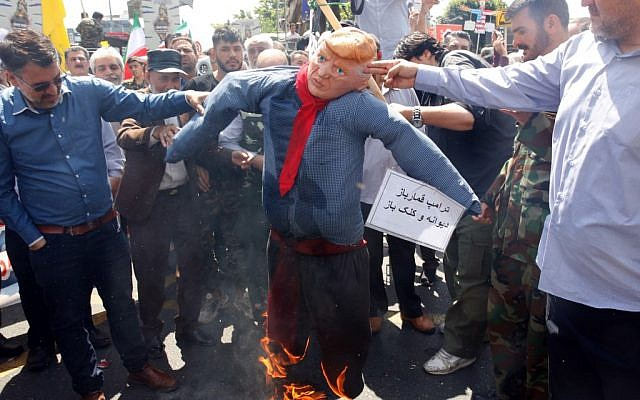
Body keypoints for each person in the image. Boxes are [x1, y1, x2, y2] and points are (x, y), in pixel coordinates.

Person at [167, 28, 480, 399]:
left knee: (344, 333)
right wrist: (186, 142)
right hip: (284, 238)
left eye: (341, 71)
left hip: (338, 246)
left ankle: (342, 387)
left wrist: (466, 199)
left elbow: (412, 145)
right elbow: (229, 91)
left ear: (363, 77)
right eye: (322, 60)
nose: (324, 73)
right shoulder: (275, 86)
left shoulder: (358, 106)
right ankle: (292, 383)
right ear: (312, 53)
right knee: (287, 325)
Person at [368, 0, 640, 396]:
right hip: (565, 286)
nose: (585, 2)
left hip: (626, 305)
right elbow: (502, 84)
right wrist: (420, 75)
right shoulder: (583, 51)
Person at [0, 29, 207, 399]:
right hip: (52, 241)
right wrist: (32, 238)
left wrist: (186, 95)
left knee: (122, 306)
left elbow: (140, 106)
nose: (53, 91)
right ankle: (89, 387)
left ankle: (139, 367)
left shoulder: (86, 91)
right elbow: (1, 190)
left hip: (105, 230)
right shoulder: (2, 117)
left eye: (57, 80)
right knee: (68, 319)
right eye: (40, 86)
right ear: (11, 78)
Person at [391, 31, 517, 376]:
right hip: (460, 195)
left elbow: (466, 116)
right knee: (459, 268)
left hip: (480, 197)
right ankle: (471, 326)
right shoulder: (435, 83)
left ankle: (461, 348)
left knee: (472, 274)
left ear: (428, 55)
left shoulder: (455, 63)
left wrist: (410, 113)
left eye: (411, 68)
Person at [472, 1, 569, 398]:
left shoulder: (579, 79)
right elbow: (520, 154)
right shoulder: (531, 80)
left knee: (541, 341)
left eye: (522, 33)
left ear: (551, 23)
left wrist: (531, 121)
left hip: (545, 249)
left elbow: (582, 155)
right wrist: (493, 197)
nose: (517, 44)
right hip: (511, 236)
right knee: (504, 330)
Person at [115, 49, 212, 357]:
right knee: (150, 272)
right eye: (164, 77)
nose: (171, 84)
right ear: (147, 75)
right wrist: (154, 132)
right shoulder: (136, 102)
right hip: (149, 204)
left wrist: (200, 165)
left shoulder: (187, 101)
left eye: (176, 78)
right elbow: (125, 135)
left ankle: (188, 327)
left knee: (194, 265)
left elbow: (201, 138)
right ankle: (151, 332)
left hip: (185, 198)